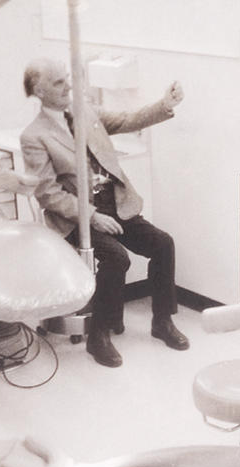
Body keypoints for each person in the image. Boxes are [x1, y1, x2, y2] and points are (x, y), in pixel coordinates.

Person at [20, 57, 189, 368]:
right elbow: (47, 193)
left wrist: (164, 103)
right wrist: (91, 216)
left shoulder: (83, 112)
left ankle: (162, 322)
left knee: (163, 243)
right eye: (59, 82)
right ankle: (99, 335)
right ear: (38, 90)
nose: (68, 86)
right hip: (76, 216)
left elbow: (126, 120)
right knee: (116, 258)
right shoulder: (34, 136)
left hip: (116, 203)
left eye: (67, 79)